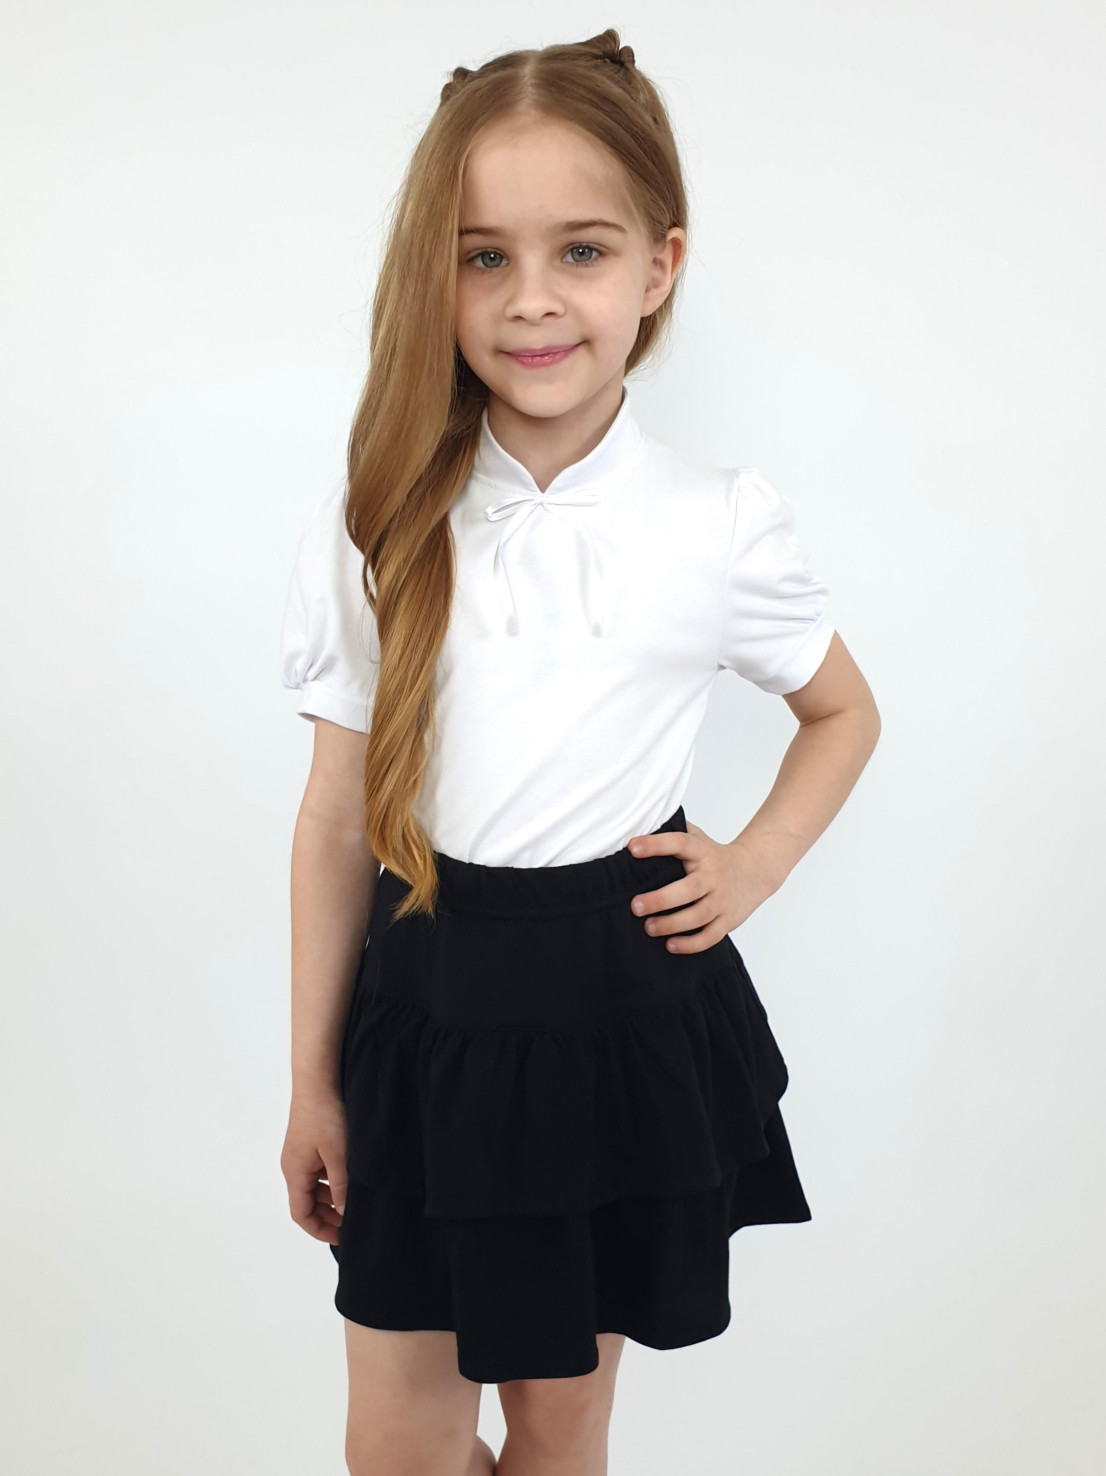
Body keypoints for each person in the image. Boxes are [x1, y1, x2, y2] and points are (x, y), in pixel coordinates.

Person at [278, 26, 880, 1476]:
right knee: (398, 1440)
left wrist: (753, 865)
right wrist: (311, 1081)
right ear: (433, 276)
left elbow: (842, 711)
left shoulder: (716, 519)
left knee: (561, 1418)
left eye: (582, 252)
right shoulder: (380, 515)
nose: (532, 299)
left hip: (614, 1017)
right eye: (483, 257)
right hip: (424, 1007)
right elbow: (334, 820)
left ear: (658, 269)